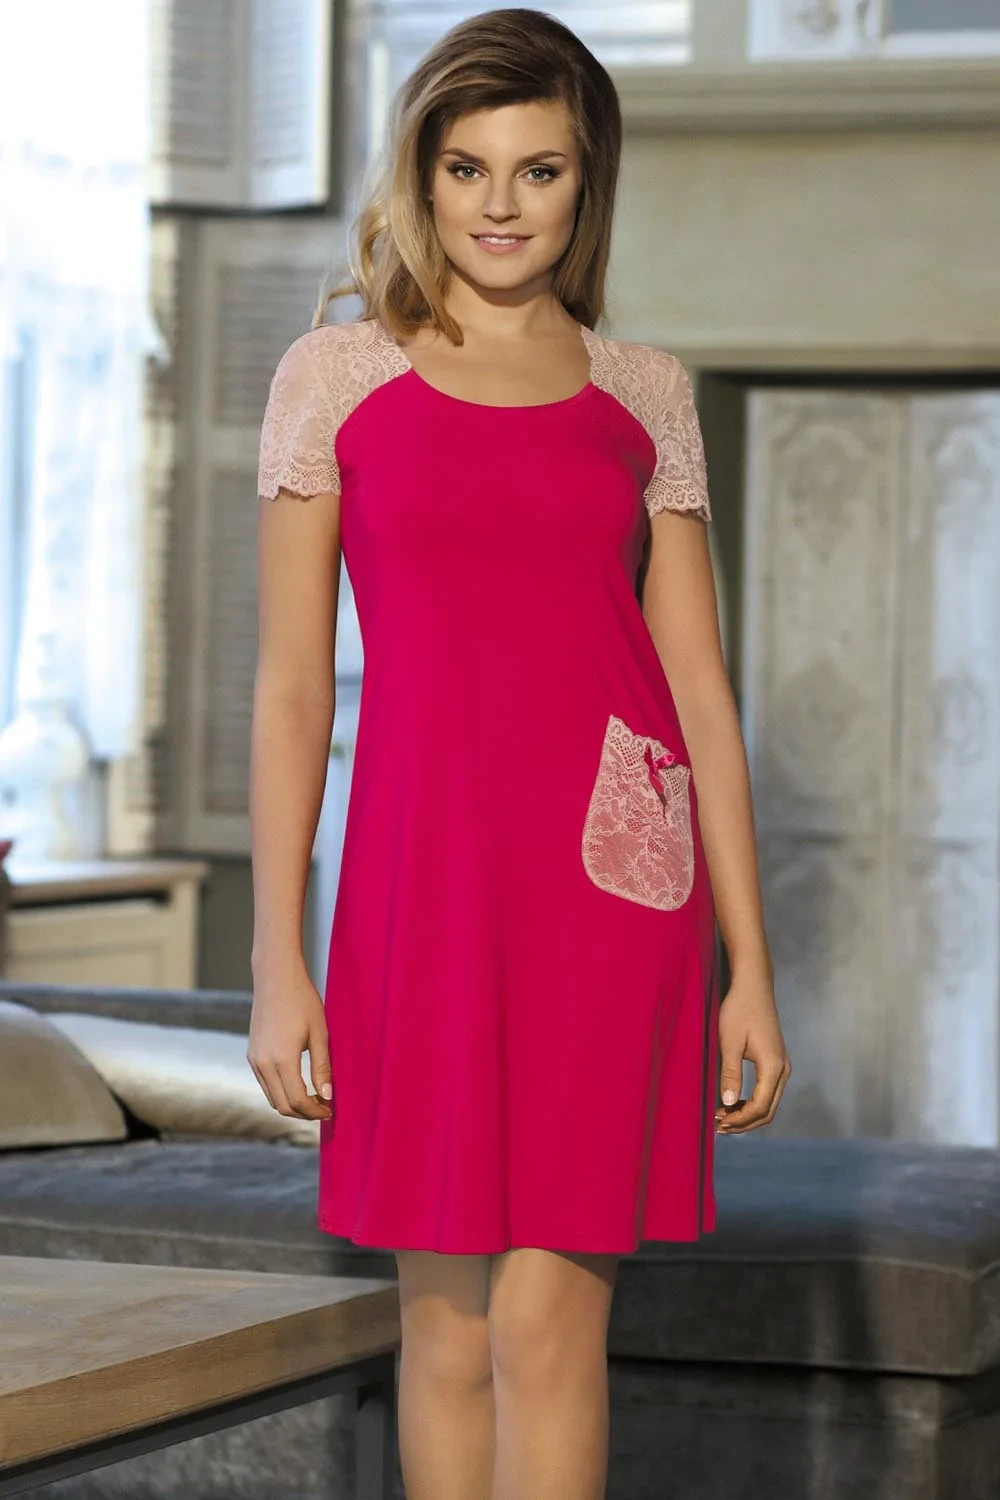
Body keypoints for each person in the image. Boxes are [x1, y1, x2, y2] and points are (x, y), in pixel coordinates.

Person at [247, 8, 791, 1497]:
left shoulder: (643, 392)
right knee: (443, 1331)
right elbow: (292, 693)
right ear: (422, 177)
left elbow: (698, 691)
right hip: (422, 890)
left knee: (548, 1330)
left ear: (585, 182)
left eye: (538, 171)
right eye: (467, 168)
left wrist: (750, 965)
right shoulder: (335, 377)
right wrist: (277, 963)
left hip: (618, 892)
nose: (500, 204)